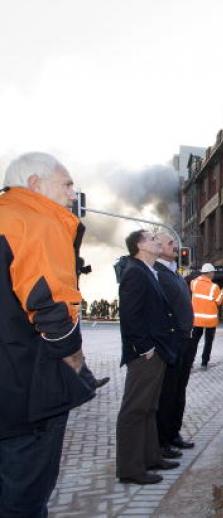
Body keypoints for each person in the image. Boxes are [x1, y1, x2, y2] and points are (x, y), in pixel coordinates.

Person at [0, 152, 95, 516]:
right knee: (25, 498)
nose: (73, 194)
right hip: (26, 389)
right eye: (67, 184)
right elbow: (51, 305)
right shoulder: (36, 220)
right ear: (35, 184)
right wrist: (73, 362)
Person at [116, 230, 179, 485]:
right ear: (140, 245)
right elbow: (130, 317)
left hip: (157, 351)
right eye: (153, 239)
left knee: (149, 407)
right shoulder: (134, 272)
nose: (158, 242)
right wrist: (145, 348)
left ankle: (151, 457)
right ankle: (130, 468)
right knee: (134, 409)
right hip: (145, 354)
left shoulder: (147, 271)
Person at [154, 233, 196, 452]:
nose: (176, 247)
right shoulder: (157, 273)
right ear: (158, 247)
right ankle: (162, 441)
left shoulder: (174, 272)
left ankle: (174, 433)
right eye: (171, 243)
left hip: (185, 341)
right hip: (172, 341)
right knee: (167, 392)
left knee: (180, 390)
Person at [190, 263, 222, 370]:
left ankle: (190, 362)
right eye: (212, 272)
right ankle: (204, 363)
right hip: (210, 321)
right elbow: (219, 302)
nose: (213, 274)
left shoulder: (194, 283)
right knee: (208, 342)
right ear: (209, 273)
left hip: (197, 320)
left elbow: (192, 288)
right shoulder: (214, 287)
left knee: (194, 342)